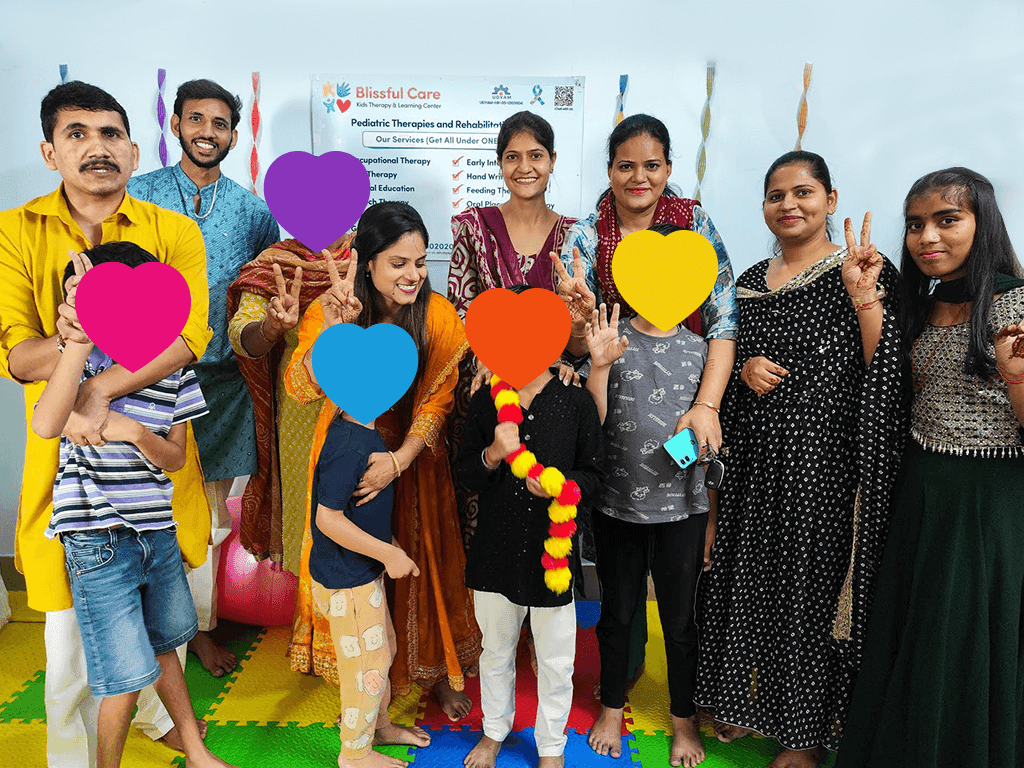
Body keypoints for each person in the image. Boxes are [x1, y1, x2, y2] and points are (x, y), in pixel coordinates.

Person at [0, 81, 213, 766]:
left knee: (161, 636)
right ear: (49, 150)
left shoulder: (171, 231)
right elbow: (15, 352)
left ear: (132, 145)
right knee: (66, 652)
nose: (98, 147)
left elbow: (189, 339)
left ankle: (163, 726)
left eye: (111, 133)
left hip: (150, 488)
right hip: (70, 486)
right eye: (78, 134)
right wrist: (72, 348)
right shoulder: (14, 231)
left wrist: (97, 393)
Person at [695, 151, 905, 768]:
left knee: (807, 594)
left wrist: (864, 299)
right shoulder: (751, 282)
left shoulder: (860, 267)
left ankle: (803, 736)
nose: (789, 205)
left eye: (803, 192)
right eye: (776, 195)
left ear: (831, 200)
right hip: (756, 465)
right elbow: (725, 362)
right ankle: (744, 705)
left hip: (823, 464)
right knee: (746, 582)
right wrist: (744, 376)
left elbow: (886, 364)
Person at [836, 168, 1024, 768]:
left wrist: (1016, 377)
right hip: (920, 490)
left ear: (983, 223)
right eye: (916, 224)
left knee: (961, 635)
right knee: (914, 631)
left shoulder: (1013, 301)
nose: (926, 237)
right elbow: (889, 379)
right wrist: (866, 298)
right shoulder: (927, 301)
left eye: (947, 220)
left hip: (984, 501)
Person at [31, 242, 234, 768]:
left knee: (166, 646)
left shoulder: (173, 372)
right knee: (124, 677)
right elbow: (49, 424)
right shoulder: (80, 366)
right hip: (97, 541)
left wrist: (135, 431)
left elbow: (173, 458)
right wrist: (76, 337)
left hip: (157, 533)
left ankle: (195, 751)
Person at [557, 112, 739, 691]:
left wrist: (706, 404)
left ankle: (686, 696)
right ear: (608, 169)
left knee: (681, 567)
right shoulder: (584, 237)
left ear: (669, 168)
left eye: (652, 165)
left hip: (686, 399)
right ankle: (619, 679)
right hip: (614, 406)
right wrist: (581, 325)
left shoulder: (696, 225)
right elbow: (567, 342)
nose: (640, 177)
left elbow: (724, 322)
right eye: (625, 165)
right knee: (619, 571)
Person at [286, 202, 482, 720]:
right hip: (348, 461)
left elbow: (438, 401)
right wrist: (331, 330)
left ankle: (434, 673)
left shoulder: (437, 315)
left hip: (414, 463)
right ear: (366, 262)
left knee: (424, 562)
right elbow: (301, 388)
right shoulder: (332, 308)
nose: (413, 275)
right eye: (398, 263)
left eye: (420, 262)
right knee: (358, 571)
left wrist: (397, 462)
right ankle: (369, 688)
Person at [128, 78, 280, 678]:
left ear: (234, 136)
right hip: (146, 379)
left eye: (219, 124)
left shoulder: (252, 210)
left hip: (224, 384)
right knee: (150, 511)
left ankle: (203, 631)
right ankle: (151, 631)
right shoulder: (138, 197)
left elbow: (267, 288)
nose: (207, 133)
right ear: (175, 126)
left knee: (213, 518)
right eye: (197, 120)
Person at [582, 231, 716, 767]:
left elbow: (710, 440)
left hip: (682, 511)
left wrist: (710, 517)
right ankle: (612, 707)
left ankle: (685, 719)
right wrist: (597, 365)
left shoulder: (703, 349)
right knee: (616, 613)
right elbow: (591, 425)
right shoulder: (613, 339)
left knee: (681, 621)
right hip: (616, 507)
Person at [458, 284, 603, 768]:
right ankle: (495, 731)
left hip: (553, 560)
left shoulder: (575, 400)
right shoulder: (485, 400)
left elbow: (595, 475)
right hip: (496, 554)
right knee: (495, 652)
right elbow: (464, 474)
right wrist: (492, 454)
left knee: (557, 661)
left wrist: (564, 487)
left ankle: (551, 746)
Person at [447, 110, 577, 546]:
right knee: (488, 506)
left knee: (548, 502)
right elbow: (460, 306)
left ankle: (546, 608)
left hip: (550, 389)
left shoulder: (574, 236)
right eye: (512, 156)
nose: (525, 168)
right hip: (487, 387)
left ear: (553, 160)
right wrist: (488, 354)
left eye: (536, 155)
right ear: (499, 163)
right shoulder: (473, 227)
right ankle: (488, 612)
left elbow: (575, 316)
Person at [304, 337, 433, 768]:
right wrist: (391, 554)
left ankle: (378, 729)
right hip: (347, 580)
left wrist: (386, 549)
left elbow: (362, 513)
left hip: (361, 572)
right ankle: (354, 754)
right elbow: (329, 519)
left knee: (384, 651)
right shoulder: (349, 444)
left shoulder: (363, 431)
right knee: (367, 665)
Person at [227, 234, 354, 578]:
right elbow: (241, 335)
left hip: (366, 389)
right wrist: (271, 327)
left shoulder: (366, 249)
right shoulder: (274, 263)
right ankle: (311, 614)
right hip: (302, 399)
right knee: (309, 501)